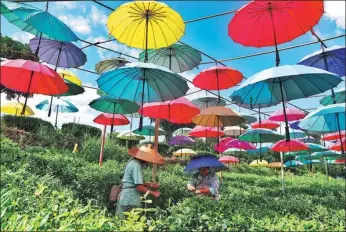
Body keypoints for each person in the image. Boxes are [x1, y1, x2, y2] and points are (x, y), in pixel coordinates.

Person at [115, 144, 165, 218]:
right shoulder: (136, 165)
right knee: (133, 224)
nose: (148, 161)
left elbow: (135, 182)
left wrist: (150, 184)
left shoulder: (132, 161)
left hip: (126, 197)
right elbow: (139, 187)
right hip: (131, 199)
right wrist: (154, 193)